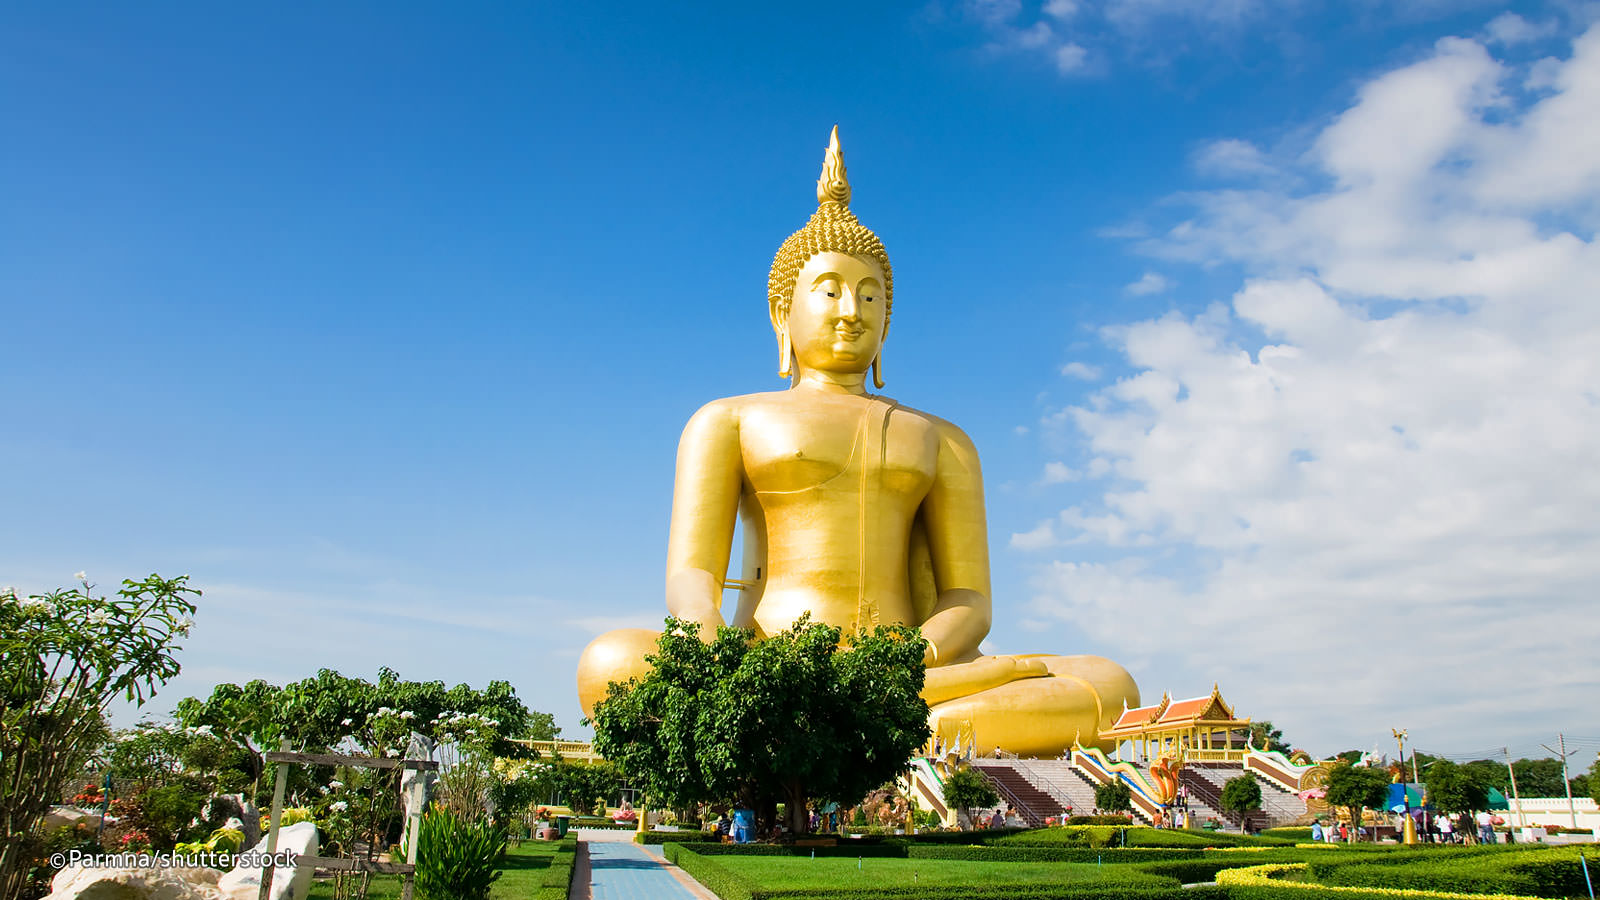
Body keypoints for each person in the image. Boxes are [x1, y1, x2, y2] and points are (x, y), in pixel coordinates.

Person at [574, 127, 1138, 759]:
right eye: (831, 291)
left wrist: (906, 661)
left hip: (911, 675)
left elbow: (969, 602)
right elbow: (691, 577)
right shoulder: (728, 419)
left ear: (888, 321)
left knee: (1109, 684)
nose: (852, 310)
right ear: (782, 315)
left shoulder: (941, 438)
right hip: (768, 670)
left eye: (871, 296)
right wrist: (715, 658)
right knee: (610, 664)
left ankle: (842, 733)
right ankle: (878, 738)